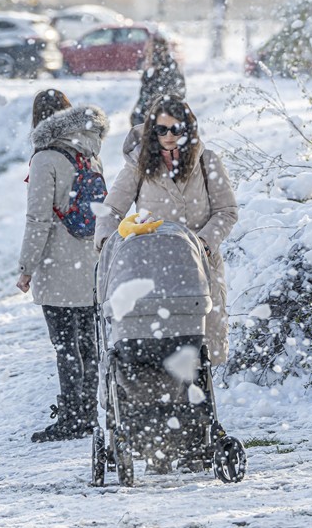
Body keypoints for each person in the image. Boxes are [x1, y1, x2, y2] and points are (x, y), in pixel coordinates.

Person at [94, 95, 238, 419]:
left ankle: (195, 427)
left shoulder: (207, 162)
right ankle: (158, 423)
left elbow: (226, 211)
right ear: (151, 132)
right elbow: (111, 210)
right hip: (151, 270)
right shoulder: (139, 165)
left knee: (197, 348)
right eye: (161, 129)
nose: (169, 136)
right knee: (157, 348)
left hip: (198, 268)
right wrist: (108, 242)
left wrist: (203, 241)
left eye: (176, 128)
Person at [16, 89, 108, 443]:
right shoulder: (91, 152)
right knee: (88, 341)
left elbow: (38, 220)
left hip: (58, 266)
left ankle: (72, 415)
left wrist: (26, 268)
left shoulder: (45, 159)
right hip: (91, 264)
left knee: (66, 345)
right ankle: (87, 409)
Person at [130, 35, 186, 127]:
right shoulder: (158, 66)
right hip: (157, 114)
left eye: (148, 49)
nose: (146, 52)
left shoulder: (162, 69)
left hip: (162, 115)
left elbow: (173, 94)